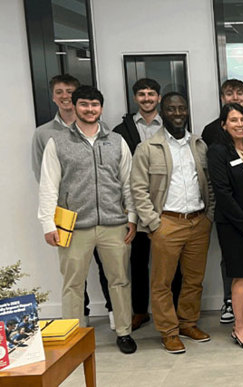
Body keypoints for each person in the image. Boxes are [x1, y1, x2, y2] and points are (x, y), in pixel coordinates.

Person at [37, 85, 137, 354]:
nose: (90, 109)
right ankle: (75, 335)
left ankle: (124, 331)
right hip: (74, 227)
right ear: (75, 106)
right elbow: (48, 186)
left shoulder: (116, 141)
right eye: (84, 104)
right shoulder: (57, 142)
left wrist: (132, 217)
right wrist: (48, 223)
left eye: (95, 105)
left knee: (119, 280)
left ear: (101, 108)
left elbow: (127, 182)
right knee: (73, 284)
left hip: (114, 224)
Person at [130, 92, 215, 354]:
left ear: (187, 111)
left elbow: (209, 184)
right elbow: (138, 189)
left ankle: (188, 323)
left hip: (198, 222)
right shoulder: (147, 148)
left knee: (194, 279)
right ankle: (168, 331)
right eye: (171, 109)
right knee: (162, 282)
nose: (177, 114)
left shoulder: (199, 145)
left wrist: (209, 215)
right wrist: (154, 223)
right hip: (167, 222)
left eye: (181, 109)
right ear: (162, 112)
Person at [32, 74, 116, 329]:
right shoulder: (44, 133)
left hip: (105, 214)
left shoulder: (105, 130)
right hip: (67, 215)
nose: (65, 96)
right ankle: (80, 320)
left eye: (70, 91)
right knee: (74, 273)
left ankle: (114, 313)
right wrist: (49, 219)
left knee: (108, 269)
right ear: (53, 96)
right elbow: (43, 176)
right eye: (60, 91)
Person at [113, 78, 183, 331]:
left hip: (167, 204)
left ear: (158, 97)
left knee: (172, 262)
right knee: (139, 260)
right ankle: (140, 310)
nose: (146, 98)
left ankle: (174, 308)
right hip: (137, 203)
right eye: (141, 94)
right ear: (135, 98)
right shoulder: (122, 131)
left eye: (151, 94)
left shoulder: (173, 125)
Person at [202, 78, 243, 324]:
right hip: (233, 220)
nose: (239, 124)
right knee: (236, 266)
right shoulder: (216, 144)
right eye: (230, 93)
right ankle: (234, 310)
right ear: (224, 124)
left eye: (240, 93)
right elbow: (221, 189)